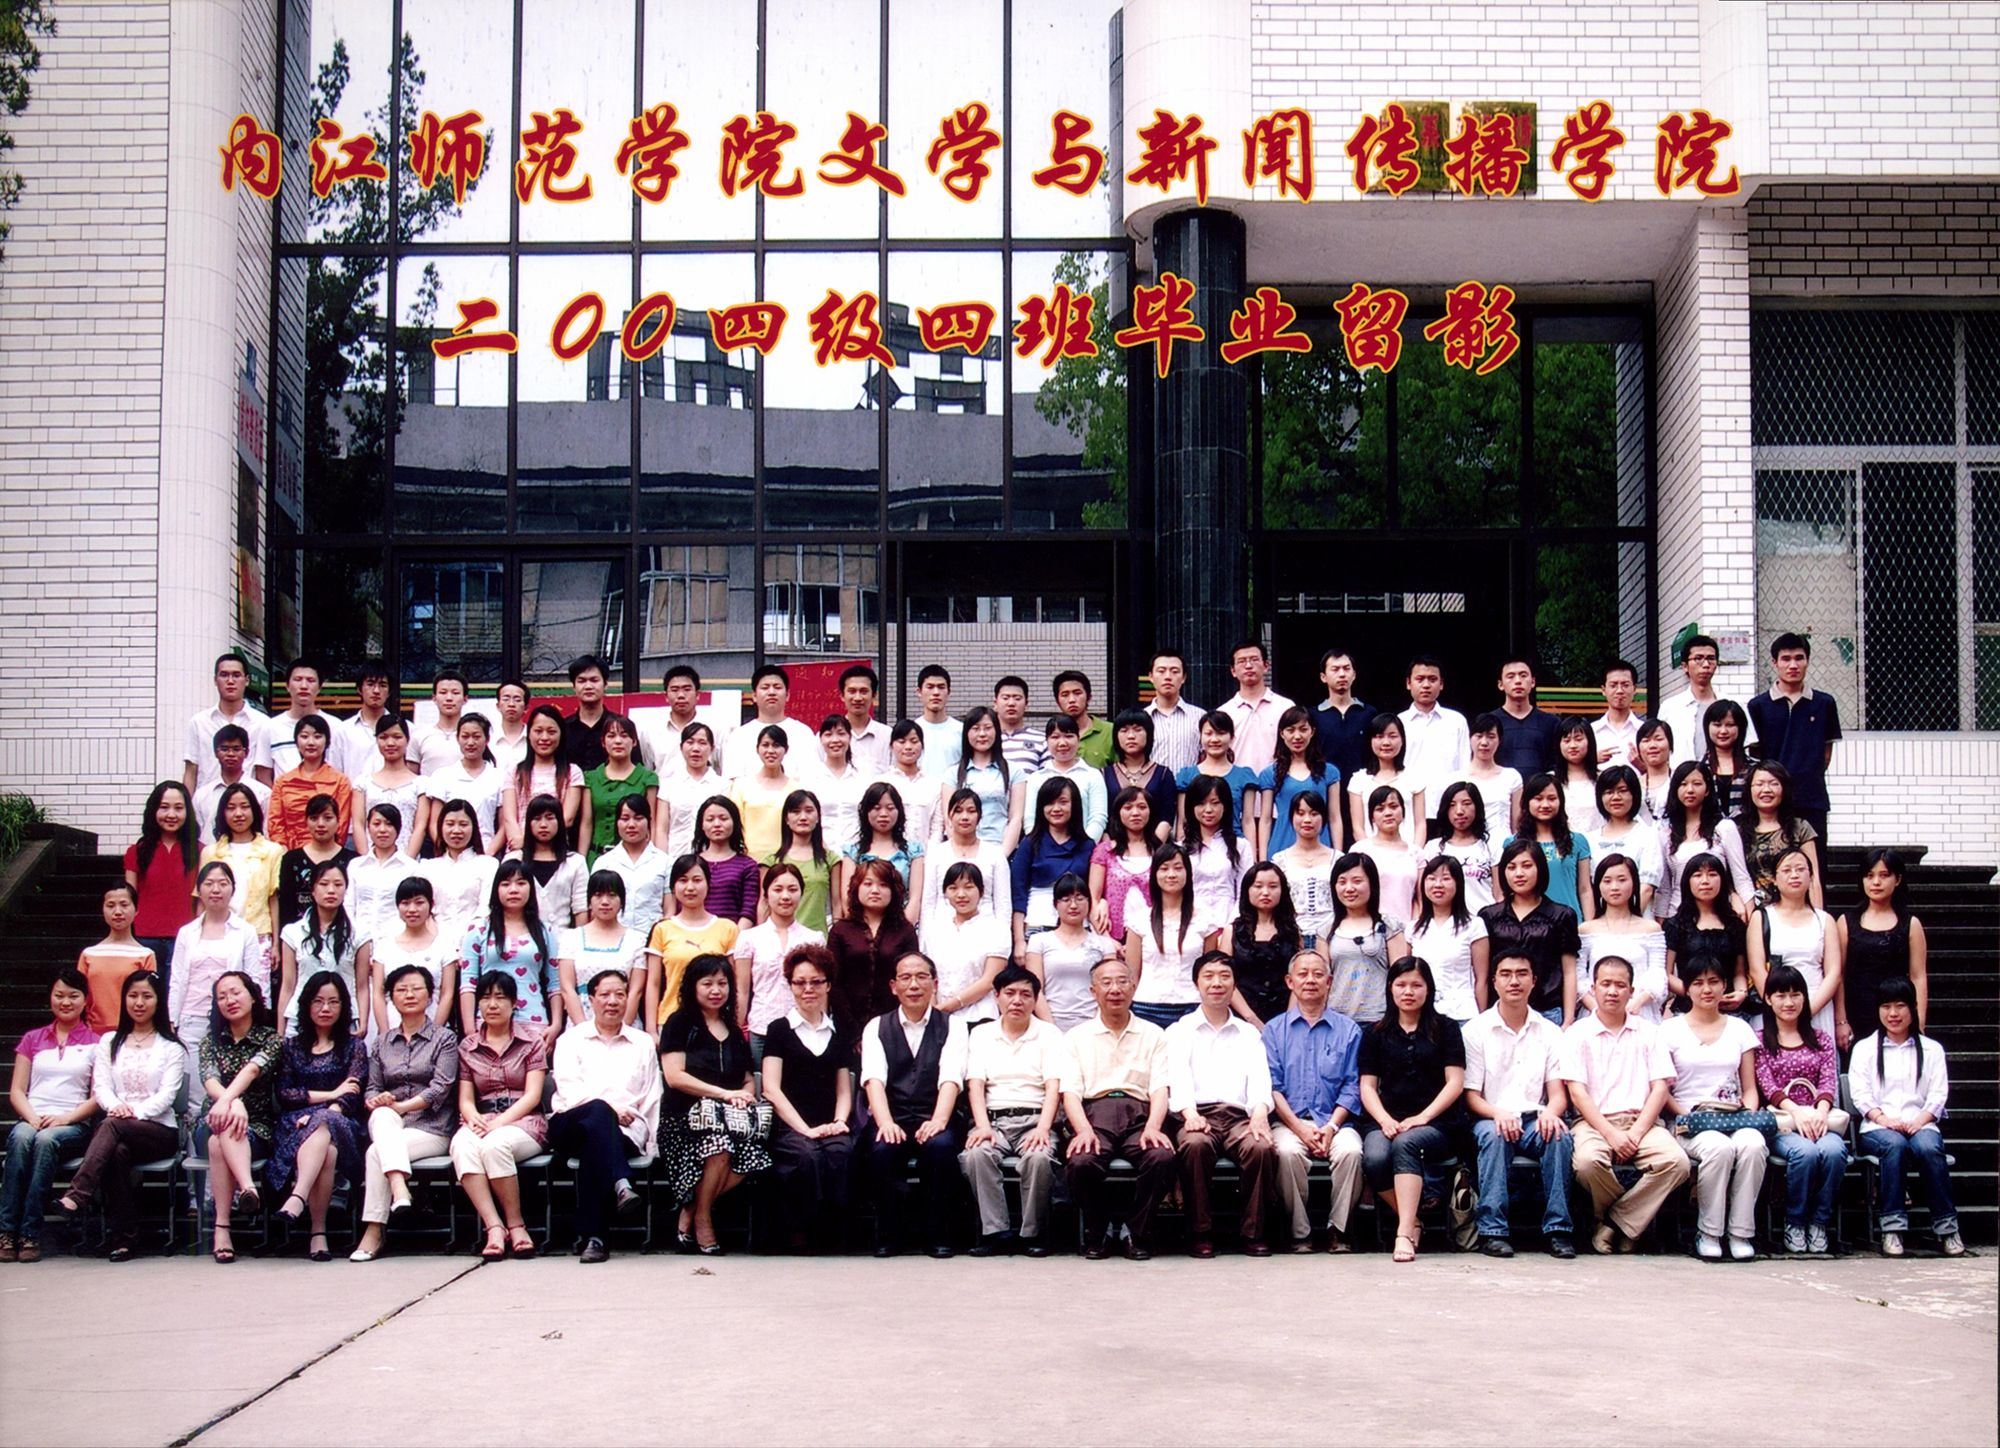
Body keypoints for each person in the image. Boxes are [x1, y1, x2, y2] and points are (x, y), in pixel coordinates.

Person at [1558, 954, 1689, 1253]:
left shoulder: (1649, 1032)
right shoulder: (1577, 1034)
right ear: (1593, 988)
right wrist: (1611, 1134)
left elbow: (1660, 1088)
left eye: (1620, 985)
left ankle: (1613, 1224)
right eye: (1605, 984)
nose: (1612, 991)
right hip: (1593, 1123)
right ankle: (1630, 1225)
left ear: (1631, 991)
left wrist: (1636, 1132)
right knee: (1588, 1164)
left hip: (1642, 1122)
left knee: (1677, 1163)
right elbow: (1577, 1093)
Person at [53, 972, 182, 1261]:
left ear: (158, 1001)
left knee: (111, 1126)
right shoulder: (110, 1041)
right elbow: (101, 1087)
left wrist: (130, 1112)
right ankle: (125, 1239)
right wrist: (116, 1107)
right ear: (124, 1000)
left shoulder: (171, 1046)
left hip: (158, 1131)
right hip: (117, 1128)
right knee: (117, 1152)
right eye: (133, 996)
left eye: (147, 996)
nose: (139, 1002)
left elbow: (167, 1095)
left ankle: (77, 1195)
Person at [1060, 955, 1176, 1260]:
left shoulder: (1154, 1034)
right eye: (1106, 982)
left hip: (1140, 1115)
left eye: (1123, 982)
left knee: (1162, 1157)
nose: (1115, 989)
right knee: (1081, 1161)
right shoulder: (1076, 1037)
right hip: (1094, 1115)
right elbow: (1070, 1092)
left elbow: (1160, 1088)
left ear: (1134, 988)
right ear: (1093, 991)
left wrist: (1153, 1127)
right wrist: (1083, 1130)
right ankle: (1098, 1229)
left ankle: (1135, 1231)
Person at [1166, 950, 1279, 1257]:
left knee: (1260, 1146)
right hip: (1197, 1113)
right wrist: (1189, 1114)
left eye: (1225, 977)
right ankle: (1200, 1232)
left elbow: (1260, 1078)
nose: (1217, 983)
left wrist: (1259, 1114)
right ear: (1196, 984)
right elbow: (1177, 1077)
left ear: (1234, 984)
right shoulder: (1180, 1031)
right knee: (1195, 1145)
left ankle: (1253, 1232)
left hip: (1240, 1116)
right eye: (1209, 976)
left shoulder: (1248, 1033)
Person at [1463, 952, 1575, 1259]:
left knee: (1559, 1136)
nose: (1514, 981)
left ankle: (1558, 1230)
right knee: (1494, 1136)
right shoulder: (1475, 1030)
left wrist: (1551, 1113)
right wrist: (1498, 1113)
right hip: (1491, 1117)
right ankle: (1493, 1231)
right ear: (1494, 981)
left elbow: (1557, 1093)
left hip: (1534, 1118)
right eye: (1506, 974)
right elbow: (1471, 1096)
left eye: (1522, 973)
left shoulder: (1549, 1031)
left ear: (1534, 981)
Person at [859, 950, 969, 1257]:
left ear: (935, 983)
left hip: (936, 1114)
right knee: (881, 1150)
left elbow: (951, 1078)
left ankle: (938, 1234)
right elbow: (874, 1080)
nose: (914, 985)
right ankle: (889, 1234)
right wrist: (885, 1123)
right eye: (905, 978)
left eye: (922, 977)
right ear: (893, 986)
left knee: (940, 1147)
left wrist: (939, 1121)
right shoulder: (876, 1027)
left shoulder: (954, 1026)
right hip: (891, 1115)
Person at [658, 954, 769, 1255]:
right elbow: (675, 1077)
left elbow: (747, 1079)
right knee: (719, 1146)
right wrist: (722, 1094)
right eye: (707, 983)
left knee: (756, 1155)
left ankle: (692, 1209)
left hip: (729, 1119)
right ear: (693, 987)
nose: (716, 990)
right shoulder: (679, 1023)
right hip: (683, 1121)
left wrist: (744, 1095)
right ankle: (704, 1221)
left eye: (722, 983)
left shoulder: (733, 1030)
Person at [548, 969, 662, 1263]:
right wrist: (611, 1110)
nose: (613, 1001)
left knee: (596, 1142)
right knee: (599, 1112)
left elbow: (652, 1096)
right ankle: (622, 1182)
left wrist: (650, 1144)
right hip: (571, 1123)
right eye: (605, 995)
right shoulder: (571, 1040)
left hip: (626, 1132)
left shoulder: (642, 1043)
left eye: (620, 994)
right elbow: (570, 1091)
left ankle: (595, 1239)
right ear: (591, 999)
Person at [1358, 956, 1466, 1263]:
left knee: (1406, 1143)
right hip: (1386, 1119)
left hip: (1438, 1122)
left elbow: (1455, 1082)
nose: (1408, 991)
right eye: (1401, 984)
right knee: (1375, 1156)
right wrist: (1384, 1120)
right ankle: (1414, 1219)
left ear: (1428, 989)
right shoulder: (1375, 1032)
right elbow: (1367, 1086)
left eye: (1416, 985)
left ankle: (1404, 1233)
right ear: (1390, 988)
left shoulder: (1446, 1029)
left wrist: (1423, 1117)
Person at [348, 966, 458, 1262]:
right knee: (381, 1117)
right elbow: (371, 1088)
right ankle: (399, 1190)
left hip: (432, 1128)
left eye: (417, 988)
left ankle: (374, 1230)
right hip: (392, 1124)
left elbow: (440, 1088)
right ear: (391, 998)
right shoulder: (381, 1043)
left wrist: (400, 1106)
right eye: (401, 990)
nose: (409, 994)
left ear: (430, 995)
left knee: (376, 1152)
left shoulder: (444, 1039)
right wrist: (377, 1099)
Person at [1660, 953, 1765, 1260]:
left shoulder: (1740, 1029)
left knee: (1754, 1145)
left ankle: (1741, 1233)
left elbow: (1750, 1088)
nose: (1706, 989)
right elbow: (1661, 1089)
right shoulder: (1668, 1030)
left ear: (1724, 986)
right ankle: (1708, 1232)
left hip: (1733, 1116)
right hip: (1688, 1120)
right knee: (1718, 1148)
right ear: (1687, 988)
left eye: (1714, 982)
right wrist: (1686, 1115)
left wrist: (1747, 1114)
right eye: (1698, 983)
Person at [960, 964, 1067, 1256]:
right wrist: (983, 1126)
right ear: (996, 996)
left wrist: (1043, 1128)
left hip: (1035, 1118)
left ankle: (1032, 1233)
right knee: (977, 1155)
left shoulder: (1050, 1034)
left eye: (1025, 994)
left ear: (1035, 999)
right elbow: (975, 1085)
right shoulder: (981, 1034)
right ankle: (995, 1232)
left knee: (1039, 1158)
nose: (1017, 1001)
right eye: (1010, 993)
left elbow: (1054, 1087)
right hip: (994, 1119)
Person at [1262, 949, 1365, 1252]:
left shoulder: (1349, 1030)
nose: (1310, 980)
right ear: (1289, 982)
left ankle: (1338, 1230)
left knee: (1351, 1152)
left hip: (1335, 1122)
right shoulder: (1273, 1030)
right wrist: (1299, 1128)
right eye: (1303, 974)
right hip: (1289, 1122)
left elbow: (1352, 1085)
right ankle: (1300, 1232)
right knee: (1286, 1153)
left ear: (1329, 982)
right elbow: (1272, 1088)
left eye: (1318, 974)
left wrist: (1331, 1127)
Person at [1851, 976, 1961, 1257]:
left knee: (1929, 1148)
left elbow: (1938, 1094)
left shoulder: (1932, 1049)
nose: (1893, 1013)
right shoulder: (1864, 1048)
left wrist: (1920, 1120)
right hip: (1877, 1127)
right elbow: (1860, 1095)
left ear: (1912, 1008)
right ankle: (1892, 1228)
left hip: (1920, 1124)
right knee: (1894, 1145)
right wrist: (1884, 1119)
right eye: (1886, 1006)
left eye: (1900, 1006)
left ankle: (1947, 1228)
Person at [0, 969, 100, 1264]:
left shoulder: (96, 1042)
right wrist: (31, 1117)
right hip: (33, 1117)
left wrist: (66, 1118)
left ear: (85, 1000)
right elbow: (17, 1090)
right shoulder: (32, 1038)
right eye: (59, 995)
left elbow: (98, 1096)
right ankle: (6, 1231)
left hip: (72, 1123)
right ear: (51, 998)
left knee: (45, 1141)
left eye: (73, 996)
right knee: (21, 1138)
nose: (65, 1002)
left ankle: (29, 1232)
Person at [760, 944, 856, 1253]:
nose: (808, 989)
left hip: (829, 1123)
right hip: (789, 1127)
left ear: (828, 984)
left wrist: (839, 1121)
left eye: (816, 981)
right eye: (800, 982)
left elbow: (844, 1088)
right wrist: (805, 1129)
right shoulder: (778, 1030)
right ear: (790, 985)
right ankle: (800, 1231)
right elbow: (770, 1089)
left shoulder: (837, 1032)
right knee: (806, 1156)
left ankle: (834, 1232)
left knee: (841, 1152)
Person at [268, 972, 367, 1262]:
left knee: (325, 1125)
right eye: (318, 1001)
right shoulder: (291, 1047)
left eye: (333, 1002)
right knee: (327, 1148)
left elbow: (353, 1093)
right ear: (306, 1005)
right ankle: (318, 1233)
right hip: (295, 1124)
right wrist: (330, 1094)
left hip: (342, 1121)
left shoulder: (354, 1046)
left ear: (344, 1006)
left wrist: (323, 1111)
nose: (326, 1008)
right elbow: (286, 1093)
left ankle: (298, 1197)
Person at [452, 971, 549, 1261]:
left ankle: (516, 1226)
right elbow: (465, 1098)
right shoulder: (468, 1046)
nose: (492, 1005)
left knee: (495, 1145)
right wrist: (473, 1117)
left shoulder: (531, 1041)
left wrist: (497, 1124)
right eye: (485, 998)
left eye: (500, 997)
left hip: (524, 1121)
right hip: (482, 1118)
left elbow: (533, 1096)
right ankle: (494, 1227)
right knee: (462, 1145)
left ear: (514, 1003)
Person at [1756, 964, 1850, 1255]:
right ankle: (1794, 1221)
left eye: (1796, 994)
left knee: (1834, 1152)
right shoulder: (1760, 1040)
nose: (1789, 1002)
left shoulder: (1821, 1038)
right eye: (1781, 995)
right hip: (1782, 1122)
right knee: (1805, 1153)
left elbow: (1828, 1080)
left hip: (1819, 1118)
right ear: (1768, 999)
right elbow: (1767, 1085)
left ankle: (1819, 1222)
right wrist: (1797, 1112)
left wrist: (1820, 1111)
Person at [196, 971, 279, 1263]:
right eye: (222, 996)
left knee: (220, 1142)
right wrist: (234, 1104)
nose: (229, 1000)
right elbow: (209, 1079)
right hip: (211, 1121)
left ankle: (222, 1230)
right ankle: (248, 1187)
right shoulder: (210, 1041)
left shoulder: (270, 1038)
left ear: (253, 996)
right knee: (222, 1128)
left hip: (256, 1128)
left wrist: (231, 1103)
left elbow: (253, 1070)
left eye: (235, 992)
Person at [1746, 631, 1842, 844]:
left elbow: (1826, 755)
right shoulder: (1758, 706)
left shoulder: (1824, 703)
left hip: (1811, 798)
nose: (1793, 665)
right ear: (1775, 663)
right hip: (1770, 802)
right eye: (1786, 659)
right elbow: (1755, 756)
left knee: (1813, 858)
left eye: (1799, 658)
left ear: (1807, 661)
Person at [166, 861, 264, 1070]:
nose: (216, 889)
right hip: (192, 1018)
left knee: (230, 1082)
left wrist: (254, 1019)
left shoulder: (245, 931)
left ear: (233, 889)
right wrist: (173, 1018)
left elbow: (254, 980)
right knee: (194, 1085)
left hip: (232, 1021)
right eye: (209, 883)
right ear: (199, 890)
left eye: (223, 883)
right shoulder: (187, 932)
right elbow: (177, 978)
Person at [1747, 846, 1843, 1044]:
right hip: (1775, 1009)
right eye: (1787, 870)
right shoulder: (1761, 917)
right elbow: (1757, 970)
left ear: (1811, 876)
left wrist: (1807, 1010)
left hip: (1817, 1004)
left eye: (1800, 869)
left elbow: (1834, 973)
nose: (1794, 875)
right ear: (1774, 878)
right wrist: (1781, 1006)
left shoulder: (1824, 920)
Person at [1480, 839, 1581, 1026]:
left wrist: (1568, 1019)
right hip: (1500, 1012)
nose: (1519, 873)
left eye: (1527, 866)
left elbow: (1569, 972)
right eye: (1511, 867)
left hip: (1548, 1012)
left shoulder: (1561, 915)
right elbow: (1483, 974)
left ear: (1540, 868)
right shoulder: (1489, 916)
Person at [1838, 848, 1928, 1049]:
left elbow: (1918, 977)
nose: (1876, 882)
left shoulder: (1911, 924)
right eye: (1869, 876)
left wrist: (1919, 1021)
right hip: (1857, 1013)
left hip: (1897, 1015)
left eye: (1884, 875)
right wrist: (1841, 1021)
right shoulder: (1846, 922)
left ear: (1898, 879)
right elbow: (1839, 976)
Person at [1127, 845, 1224, 1029]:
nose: (1171, 874)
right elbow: (1132, 974)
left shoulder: (1206, 920)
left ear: (1188, 873)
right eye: (1164, 868)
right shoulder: (1138, 920)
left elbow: (1208, 971)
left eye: (1178, 868)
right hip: (1146, 1007)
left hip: (1192, 1006)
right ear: (1155, 874)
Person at [734, 863, 827, 1054]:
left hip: (804, 1029)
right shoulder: (749, 938)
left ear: (801, 893)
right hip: (762, 1028)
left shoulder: (814, 939)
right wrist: (735, 1032)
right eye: (777, 889)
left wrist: (822, 1028)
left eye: (792, 889)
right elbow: (741, 991)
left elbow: (821, 991)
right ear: (766, 894)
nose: (785, 896)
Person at [456, 859, 556, 1035]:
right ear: (496, 889)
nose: (513, 890)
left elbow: (554, 984)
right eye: (506, 884)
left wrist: (555, 1025)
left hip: (533, 1022)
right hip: (488, 1022)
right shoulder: (479, 929)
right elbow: (468, 984)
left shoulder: (544, 931)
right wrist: (470, 1029)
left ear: (531, 888)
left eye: (521, 883)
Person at [644, 855, 739, 1027]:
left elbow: (735, 982)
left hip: (716, 1023)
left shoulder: (728, 928)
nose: (690, 887)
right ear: (673, 887)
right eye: (683, 880)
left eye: (697, 880)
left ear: (708, 884)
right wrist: (651, 1028)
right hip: (671, 1021)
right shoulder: (662, 929)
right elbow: (653, 984)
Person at [827, 859, 920, 1028]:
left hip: (894, 1025)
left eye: (883, 885)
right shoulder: (841, 930)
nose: (875, 890)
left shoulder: (905, 930)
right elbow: (834, 982)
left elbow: (910, 979)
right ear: (857, 888)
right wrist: (852, 1030)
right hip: (847, 1026)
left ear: (893, 891)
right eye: (868, 884)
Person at [123, 782, 198, 990]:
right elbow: (128, 898)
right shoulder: (136, 852)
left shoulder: (200, 851)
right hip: (145, 938)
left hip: (185, 938)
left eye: (178, 808)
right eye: (164, 807)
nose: (171, 814)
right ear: (153, 810)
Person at [276, 858, 364, 1037]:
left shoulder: (359, 933)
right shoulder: (293, 932)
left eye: (338, 884)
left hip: (344, 1019)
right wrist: (280, 1028)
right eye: (324, 884)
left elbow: (362, 986)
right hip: (298, 1020)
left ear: (346, 889)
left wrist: (363, 1022)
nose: (331, 890)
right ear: (313, 890)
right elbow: (287, 985)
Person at [1577, 855, 1668, 1024]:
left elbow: (1658, 974)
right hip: (1595, 1015)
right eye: (1607, 881)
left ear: (1634, 884)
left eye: (1622, 880)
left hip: (1640, 1013)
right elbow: (1578, 976)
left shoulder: (1651, 929)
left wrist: (1637, 1003)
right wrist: (1598, 1008)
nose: (1614, 887)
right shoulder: (1585, 930)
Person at [1009, 776, 1093, 959]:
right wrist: (1019, 941)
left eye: (1063, 802)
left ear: (1075, 805)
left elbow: (1094, 892)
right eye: (1049, 803)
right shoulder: (1030, 844)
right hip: (1037, 924)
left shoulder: (1087, 845)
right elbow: (1018, 894)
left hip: (1079, 927)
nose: (1056, 809)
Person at [1658, 761, 1753, 922]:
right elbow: (1665, 888)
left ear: (1707, 789)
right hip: (1678, 916)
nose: (1690, 790)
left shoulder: (1724, 828)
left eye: (1697, 784)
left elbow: (1742, 879)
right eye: (1683, 784)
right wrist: (1662, 925)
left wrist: (1752, 920)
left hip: (1719, 916)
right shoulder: (1666, 835)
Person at [1024, 873, 1119, 1032]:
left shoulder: (1104, 944)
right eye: (1066, 899)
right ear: (1055, 904)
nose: (1073, 905)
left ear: (1089, 902)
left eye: (1080, 898)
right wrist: (1051, 1029)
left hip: (1094, 1027)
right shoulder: (1039, 941)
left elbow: (1108, 988)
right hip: (1049, 1026)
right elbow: (1036, 989)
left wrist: (1094, 1027)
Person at [361, 877, 455, 1034]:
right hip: (392, 1028)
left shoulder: (444, 946)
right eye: (405, 903)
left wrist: (434, 1035)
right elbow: (378, 993)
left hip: (432, 1028)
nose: (412, 909)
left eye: (419, 902)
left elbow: (447, 994)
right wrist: (385, 1034)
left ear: (431, 905)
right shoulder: (384, 947)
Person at [199, 786, 284, 959]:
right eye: (231, 808)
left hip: (259, 934)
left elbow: (273, 899)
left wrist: (276, 944)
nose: (238, 813)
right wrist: (200, 937)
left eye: (245, 807)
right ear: (223, 813)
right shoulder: (210, 852)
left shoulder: (273, 851)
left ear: (255, 811)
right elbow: (201, 899)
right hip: (218, 934)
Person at [557, 872, 648, 1029]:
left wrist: (619, 1030)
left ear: (622, 900)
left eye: (612, 895)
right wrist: (583, 1030)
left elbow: (636, 991)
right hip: (581, 1021)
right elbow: (567, 988)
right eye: (598, 895)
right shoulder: (571, 938)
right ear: (589, 900)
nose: (605, 902)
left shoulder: (636, 940)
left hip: (624, 1024)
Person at [921, 862, 1009, 1024]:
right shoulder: (934, 929)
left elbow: (989, 980)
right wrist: (933, 1010)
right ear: (945, 893)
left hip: (979, 1016)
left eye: (968, 887)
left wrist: (947, 1008)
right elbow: (928, 974)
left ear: (981, 891)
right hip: (937, 1017)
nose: (961, 894)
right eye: (953, 888)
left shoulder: (996, 929)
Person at [1323, 853, 1405, 1025]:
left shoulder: (1389, 926)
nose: (1349, 888)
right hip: (1337, 1021)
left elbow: (1401, 976)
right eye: (1342, 882)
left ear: (1372, 884)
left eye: (1357, 881)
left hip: (1379, 1020)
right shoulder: (1326, 931)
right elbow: (1323, 980)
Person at [1663, 854, 1750, 1014]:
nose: (1705, 881)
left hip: (1728, 1007)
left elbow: (1739, 973)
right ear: (1687, 881)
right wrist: (1697, 994)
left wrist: (1741, 993)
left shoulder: (1735, 924)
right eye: (1697, 875)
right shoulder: (1675, 925)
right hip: (1688, 1009)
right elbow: (1666, 974)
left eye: (1712, 874)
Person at [1408, 855, 1489, 1023]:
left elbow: (1481, 980)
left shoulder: (1474, 925)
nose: (1438, 885)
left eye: (1446, 879)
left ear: (1458, 883)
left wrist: (1482, 1022)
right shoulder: (1413, 928)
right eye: (1431, 878)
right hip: (1422, 1017)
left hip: (1462, 1015)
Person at [1221, 862, 1302, 1028]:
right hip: (1242, 1018)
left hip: (1285, 1018)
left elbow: (1299, 977)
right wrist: (1251, 1019)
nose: (1265, 892)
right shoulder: (1232, 932)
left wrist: (1287, 1020)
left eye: (1273, 886)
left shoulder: (1293, 932)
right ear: (1247, 890)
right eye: (1258, 886)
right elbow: (1225, 977)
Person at [1659, 634, 1757, 769]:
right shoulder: (1670, 707)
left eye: (1711, 659)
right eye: (1698, 658)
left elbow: (1748, 744)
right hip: (1682, 778)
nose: (1706, 665)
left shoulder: (1734, 704)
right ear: (1685, 666)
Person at [1737, 760, 1823, 909]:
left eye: (1774, 783)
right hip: (1753, 913)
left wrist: (1818, 916)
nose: (1766, 790)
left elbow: (1813, 878)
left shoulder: (1800, 828)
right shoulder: (1738, 830)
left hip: (1795, 911)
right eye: (1759, 784)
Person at [1255, 706, 1338, 860]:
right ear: (1282, 734)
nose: (1297, 736)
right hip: (1282, 844)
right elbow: (1265, 820)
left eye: (1303, 729)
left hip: (1321, 846)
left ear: (1312, 732)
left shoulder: (1329, 772)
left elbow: (1334, 817)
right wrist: (1263, 860)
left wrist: (1338, 856)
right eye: (1290, 730)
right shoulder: (1270, 774)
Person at [183, 650, 271, 795]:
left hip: (246, 803)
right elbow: (191, 771)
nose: (230, 681)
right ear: (215, 680)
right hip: (207, 803)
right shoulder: (199, 722)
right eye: (224, 675)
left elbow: (263, 773)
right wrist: (187, 805)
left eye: (236, 675)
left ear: (247, 680)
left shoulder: (262, 723)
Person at [501, 705, 584, 852]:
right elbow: (509, 818)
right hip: (519, 851)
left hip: (556, 851)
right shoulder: (514, 772)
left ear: (561, 734)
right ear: (529, 734)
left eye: (551, 732)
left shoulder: (572, 772)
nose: (544, 738)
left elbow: (567, 818)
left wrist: (527, 841)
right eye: (538, 731)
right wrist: (521, 843)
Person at [1510, 772, 1592, 922]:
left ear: (1561, 802)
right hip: (1528, 926)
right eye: (1538, 798)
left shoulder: (1577, 841)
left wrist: (1589, 926)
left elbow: (1585, 889)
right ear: (1527, 802)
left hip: (1569, 924)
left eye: (1552, 798)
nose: (1545, 805)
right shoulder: (1512, 843)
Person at [418, 715, 506, 854]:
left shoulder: (499, 777)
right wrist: (447, 851)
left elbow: (504, 825)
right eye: (465, 736)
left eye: (476, 737)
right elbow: (435, 823)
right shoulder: (442, 776)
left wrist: (488, 855)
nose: (470, 742)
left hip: (486, 850)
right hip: (449, 854)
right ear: (457, 738)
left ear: (487, 739)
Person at [76, 883, 157, 1033]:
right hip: (93, 1033)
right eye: (111, 905)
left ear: (136, 909)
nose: (118, 912)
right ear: (102, 909)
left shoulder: (145, 955)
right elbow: (79, 995)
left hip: (132, 1033)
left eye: (124, 905)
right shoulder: (89, 954)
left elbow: (148, 997)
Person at [923, 786, 1010, 926]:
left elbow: (1003, 905)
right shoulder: (936, 854)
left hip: (985, 928)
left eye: (971, 811)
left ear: (979, 816)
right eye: (958, 811)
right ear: (949, 816)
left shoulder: (995, 854)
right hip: (942, 929)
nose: (965, 817)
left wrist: (1002, 936)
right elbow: (928, 904)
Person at [1585, 766, 1664, 916]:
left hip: (1639, 919)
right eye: (1609, 792)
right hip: (1599, 921)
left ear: (1634, 795)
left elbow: (1647, 888)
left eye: (1623, 791)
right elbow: (1587, 888)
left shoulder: (1648, 835)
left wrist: (1626, 922)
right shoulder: (1589, 839)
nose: (1616, 797)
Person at [420, 799, 500, 945]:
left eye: (463, 824)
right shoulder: (427, 868)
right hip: (435, 945)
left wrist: (468, 945)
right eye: (450, 824)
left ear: (474, 827)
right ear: (440, 826)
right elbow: (424, 912)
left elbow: (485, 909)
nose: (456, 830)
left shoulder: (488, 865)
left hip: (476, 944)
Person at [591, 794, 670, 943]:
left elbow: (669, 911)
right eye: (625, 818)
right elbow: (594, 911)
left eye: (638, 818)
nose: (631, 825)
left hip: (652, 941)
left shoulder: (664, 862)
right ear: (617, 823)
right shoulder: (603, 863)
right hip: (612, 941)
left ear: (649, 821)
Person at [275, 793, 357, 935]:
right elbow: (285, 908)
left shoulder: (353, 860)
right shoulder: (291, 859)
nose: (320, 824)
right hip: (299, 936)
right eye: (314, 818)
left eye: (328, 818)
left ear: (338, 821)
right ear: (306, 821)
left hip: (343, 934)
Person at [840, 782, 922, 922]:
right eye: (876, 808)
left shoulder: (913, 851)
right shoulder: (853, 853)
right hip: (861, 928)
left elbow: (915, 898)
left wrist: (903, 930)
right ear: (866, 811)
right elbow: (847, 899)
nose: (883, 814)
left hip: (901, 927)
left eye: (890, 808)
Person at [268, 717, 355, 851]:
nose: (311, 742)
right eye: (304, 736)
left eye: (317, 736)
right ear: (296, 742)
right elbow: (275, 823)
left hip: (328, 852)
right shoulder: (282, 782)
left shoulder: (340, 781)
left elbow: (341, 824)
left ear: (327, 742)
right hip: (290, 852)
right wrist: (285, 852)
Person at [579, 713, 656, 857]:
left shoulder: (647, 778)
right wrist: (581, 860)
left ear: (634, 742)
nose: (618, 741)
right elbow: (586, 823)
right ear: (603, 742)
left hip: (634, 856)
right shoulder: (591, 778)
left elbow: (652, 822)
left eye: (624, 735)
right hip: (597, 855)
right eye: (611, 736)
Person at [1174, 711, 1259, 841]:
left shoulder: (1244, 776)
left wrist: (1250, 853)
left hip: (1233, 844)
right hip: (1196, 845)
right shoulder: (1187, 776)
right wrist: (1182, 848)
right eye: (1208, 733)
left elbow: (1248, 821)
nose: (1214, 739)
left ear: (1231, 737)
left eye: (1221, 733)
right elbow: (1182, 821)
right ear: (1200, 736)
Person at [720, 664, 817, 778]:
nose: (771, 692)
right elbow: (731, 781)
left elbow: (811, 779)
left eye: (777, 687)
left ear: (787, 695)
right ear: (754, 696)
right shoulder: (739, 736)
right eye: (765, 687)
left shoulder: (803, 733)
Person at [510, 794, 588, 932]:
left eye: (550, 818)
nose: (543, 825)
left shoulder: (575, 862)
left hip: (562, 938)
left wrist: (580, 941)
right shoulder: (514, 859)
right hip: (523, 939)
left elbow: (581, 909)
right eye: (537, 818)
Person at [1346, 713, 1424, 849]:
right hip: (1370, 856)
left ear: (1402, 740)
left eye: (1392, 736)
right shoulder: (1359, 780)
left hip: (1407, 853)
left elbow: (1420, 824)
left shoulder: (1413, 777)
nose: (1386, 742)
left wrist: (1415, 853)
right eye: (1379, 736)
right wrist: (1371, 855)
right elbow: (1358, 828)